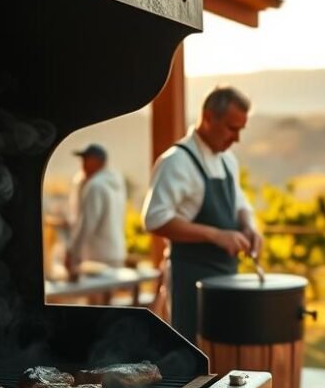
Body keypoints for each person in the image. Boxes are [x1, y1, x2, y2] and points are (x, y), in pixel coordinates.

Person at [142, 86, 263, 342]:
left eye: (241, 129)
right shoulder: (176, 161)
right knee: (193, 359)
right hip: (189, 280)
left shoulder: (228, 160)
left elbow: (240, 204)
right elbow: (154, 218)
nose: (237, 138)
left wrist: (249, 227)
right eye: (232, 128)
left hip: (227, 279)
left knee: (224, 356)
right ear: (208, 117)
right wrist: (215, 235)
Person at [65, 143, 127, 278]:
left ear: (98, 161)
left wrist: (72, 252)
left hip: (97, 256)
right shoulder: (115, 182)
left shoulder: (95, 186)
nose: (83, 165)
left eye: (86, 160)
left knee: (97, 298)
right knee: (108, 296)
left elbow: (87, 224)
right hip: (115, 251)